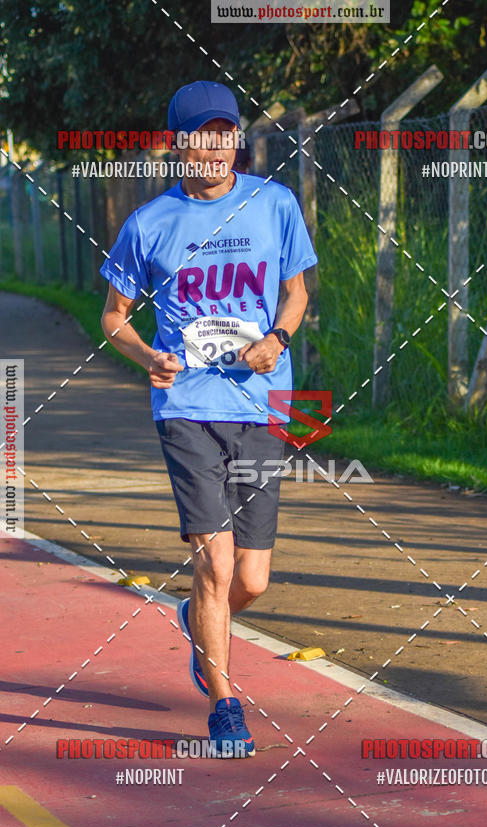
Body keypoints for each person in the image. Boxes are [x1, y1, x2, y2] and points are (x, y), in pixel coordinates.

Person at [100, 80, 317, 758]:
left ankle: (197, 619)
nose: (217, 145)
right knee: (217, 561)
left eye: (226, 132)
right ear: (178, 144)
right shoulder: (150, 224)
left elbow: (296, 292)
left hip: (261, 404)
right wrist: (146, 356)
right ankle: (225, 702)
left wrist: (276, 340)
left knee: (252, 579)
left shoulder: (274, 203)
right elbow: (113, 315)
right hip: (188, 408)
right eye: (203, 133)